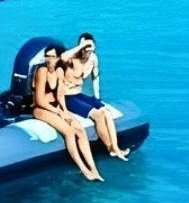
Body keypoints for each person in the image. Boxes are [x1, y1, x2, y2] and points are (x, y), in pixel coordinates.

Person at [29, 45, 101, 181]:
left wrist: (65, 111)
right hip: (41, 109)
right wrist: (59, 112)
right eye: (47, 56)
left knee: (79, 130)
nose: (49, 59)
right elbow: (39, 100)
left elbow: (60, 94)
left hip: (56, 107)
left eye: (53, 57)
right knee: (69, 132)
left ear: (58, 58)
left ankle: (94, 169)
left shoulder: (59, 71)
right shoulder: (42, 71)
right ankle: (84, 170)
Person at [62, 33, 129, 161]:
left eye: (89, 46)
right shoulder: (72, 58)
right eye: (83, 46)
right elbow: (63, 57)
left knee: (106, 112)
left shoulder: (93, 58)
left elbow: (95, 78)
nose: (86, 49)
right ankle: (110, 148)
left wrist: (97, 98)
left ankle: (116, 149)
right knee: (98, 115)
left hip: (79, 94)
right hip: (67, 97)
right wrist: (81, 46)